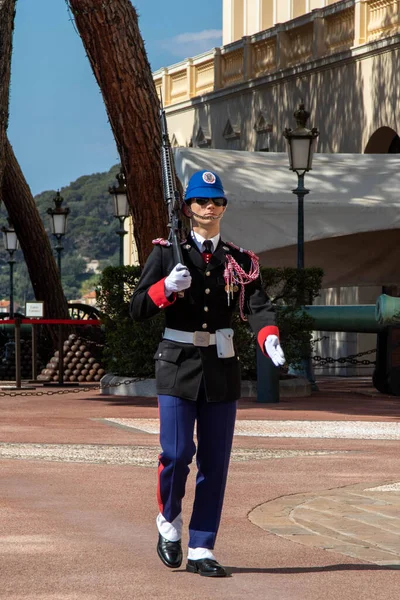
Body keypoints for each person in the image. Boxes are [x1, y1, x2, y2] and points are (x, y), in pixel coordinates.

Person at [130, 170, 285, 578]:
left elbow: (259, 306)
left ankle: (201, 545)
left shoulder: (238, 260)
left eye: (215, 201)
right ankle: (169, 522)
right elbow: (136, 308)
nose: (208, 208)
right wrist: (165, 287)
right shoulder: (167, 254)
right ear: (188, 209)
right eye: (200, 202)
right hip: (177, 365)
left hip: (221, 367)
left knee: (216, 462)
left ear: (223, 207)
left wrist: (268, 336)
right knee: (177, 454)